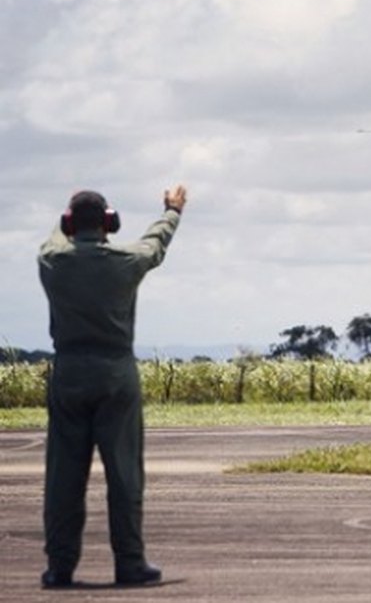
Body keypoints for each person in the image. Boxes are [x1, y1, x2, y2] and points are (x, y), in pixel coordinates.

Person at [38, 186, 187, 588]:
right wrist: (171, 211)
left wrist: (69, 213)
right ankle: (130, 562)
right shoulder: (126, 262)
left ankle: (60, 566)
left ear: (70, 222)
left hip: (68, 370)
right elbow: (155, 243)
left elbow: (57, 236)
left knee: (63, 478)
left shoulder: (51, 260)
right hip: (115, 371)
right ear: (109, 223)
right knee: (124, 474)